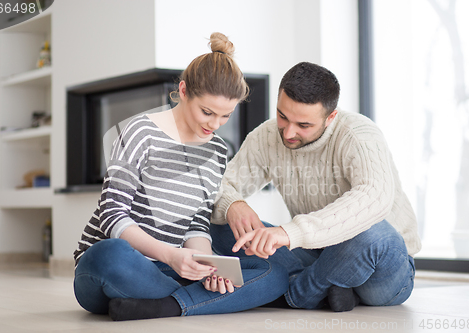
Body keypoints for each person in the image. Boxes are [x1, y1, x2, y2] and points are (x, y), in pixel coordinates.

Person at [73, 33, 288, 321]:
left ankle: (168, 305)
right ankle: (193, 300)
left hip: (169, 268)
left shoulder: (217, 151)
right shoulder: (140, 132)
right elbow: (111, 214)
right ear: (184, 91)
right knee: (109, 254)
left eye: (226, 116)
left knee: (274, 272)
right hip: (118, 267)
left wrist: (207, 266)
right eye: (207, 112)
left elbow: (197, 220)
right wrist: (172, 257)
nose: (215, 125)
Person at [210, 61, 422, 312]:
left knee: (373, 232)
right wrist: (232, 204)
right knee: (219, 224)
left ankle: (294, 295)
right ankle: (327, 288)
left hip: (380, 266)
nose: (288, 132)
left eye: (304, 125)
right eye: (282, 116)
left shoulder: (359, 134)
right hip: (314, 256)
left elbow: (373, 198)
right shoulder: (266, 136)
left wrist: (289, 233)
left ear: (330, 117)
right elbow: (218, 185)